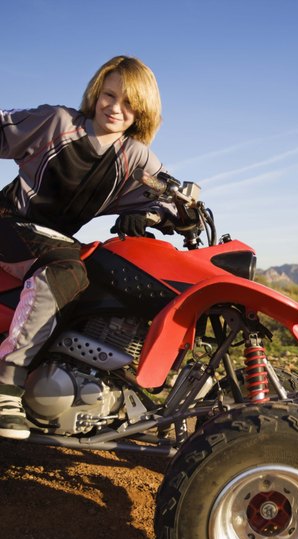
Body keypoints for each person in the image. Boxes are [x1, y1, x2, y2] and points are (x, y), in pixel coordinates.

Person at [0, 55, 175, 439]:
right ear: (96, 94)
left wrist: (156, 215)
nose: (115, 108)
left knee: (102, 272)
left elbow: (164, 195)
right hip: (10, 223)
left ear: (143, 109)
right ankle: (7, 383)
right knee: (67, 268)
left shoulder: (134, 156)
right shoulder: (58, 123)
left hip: (54, 242)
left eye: (129, 102)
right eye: (109, 95)